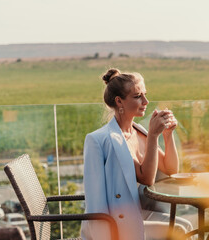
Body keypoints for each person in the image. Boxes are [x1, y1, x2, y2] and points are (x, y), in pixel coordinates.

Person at [81, 68, 192, 240]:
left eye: (145, 94)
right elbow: (147, 178)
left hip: (135, 213)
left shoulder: (138, 131)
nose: (146, 101)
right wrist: (154, 135)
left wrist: (167, 135)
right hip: (115, 223)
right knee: (178, 230)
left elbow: (171, 169)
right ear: (119, 101)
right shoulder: (100, 140)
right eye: (137, 96)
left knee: (187, 225)